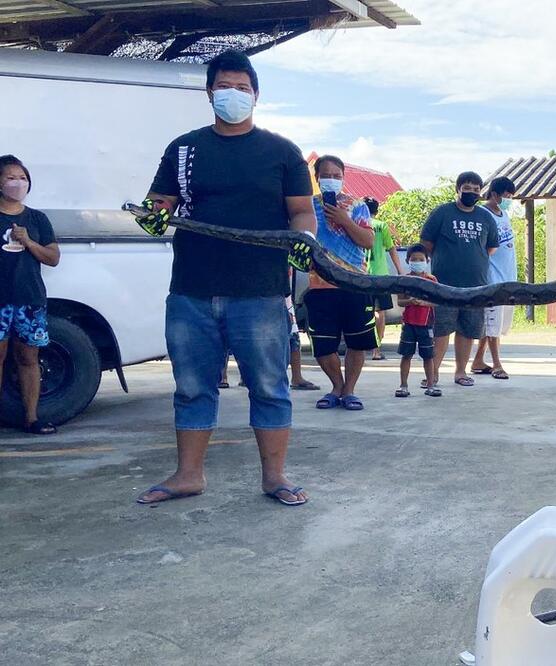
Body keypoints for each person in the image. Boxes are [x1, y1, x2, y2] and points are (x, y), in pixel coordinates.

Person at [134, 50, 317, 506]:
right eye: (224, 87)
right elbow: (159, 202)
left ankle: (275, 477)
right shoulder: (184, 149)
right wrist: (152, 216)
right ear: (209, 92)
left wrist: (304, 242)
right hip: (191, 290)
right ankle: (187, 475)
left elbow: (302, 213)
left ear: (256, 95)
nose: (232, 94)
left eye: (242, 87)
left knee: (269, 386)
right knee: (192, 386)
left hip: (260, 291)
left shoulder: (282, 152)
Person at [304, 155, 376, 411]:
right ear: (316, 178)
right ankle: (336, 386)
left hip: (355, 285)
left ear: (343, 178)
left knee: (358, 342)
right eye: (326, 175)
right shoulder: (307, 207)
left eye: (337, 176)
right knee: (323, 345)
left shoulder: (357, 206)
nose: (331, 180)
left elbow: (368, 242)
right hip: (320, 285)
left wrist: (344, 219)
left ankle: (349, 391)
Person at [419, 172, 499, 388]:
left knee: (468, 330)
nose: (471, 192)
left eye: (476, 189)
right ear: (458, 189)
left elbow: (491, 247)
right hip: (443, 285)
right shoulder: (442, 213)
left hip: (476, 285)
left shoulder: (485, 218)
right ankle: (432, 373)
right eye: (467, 187)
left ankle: (461, 372)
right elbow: (426, 243)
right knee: (441, 330)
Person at [0, 155, 60, 435]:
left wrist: (28, 241)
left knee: (28, 358)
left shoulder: (37, 218)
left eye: (22, 178)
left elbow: (52, 258)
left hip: (29, 299)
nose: (17, 183)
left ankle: (31, 417)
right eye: (11, 177)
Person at [472, 177, 518, 380]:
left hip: (507, 275)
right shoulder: (482, 214)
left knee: (495, 324)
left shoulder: (504, 214)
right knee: (492, 322)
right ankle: (497, 364)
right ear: (494, 193)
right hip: (492, 276)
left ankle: (478, 360)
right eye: (507, 195)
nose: (509, 199)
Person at [394, 244, 441, 398]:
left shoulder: (431, 279)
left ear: (427, 261)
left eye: (421, 259)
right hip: (408, 324)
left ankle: (431, 385)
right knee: (406, 355)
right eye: (414, 259)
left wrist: (423, 303)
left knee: (428, 356)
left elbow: (437, 301)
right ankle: (403, 385)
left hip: (426, 324)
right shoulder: (405, 280)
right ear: (408, 261)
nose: (417, 262)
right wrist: (410, 301)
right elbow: (400, 302)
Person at [365, 196, 404, 361]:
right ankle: (376, 349)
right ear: (377, 210)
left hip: (361, 275)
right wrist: (400, 270)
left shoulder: (356, 224)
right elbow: (392, 249)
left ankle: (361, 347)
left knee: (365, 313)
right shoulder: (382, 226)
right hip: (381, 275)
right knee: (380, 313)